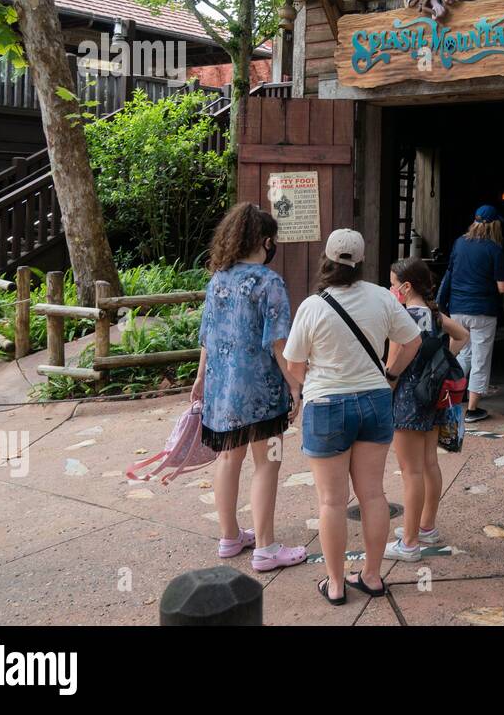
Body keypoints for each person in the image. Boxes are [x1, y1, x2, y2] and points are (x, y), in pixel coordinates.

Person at [282, 229, 423, 606]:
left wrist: (311, 381)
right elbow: (413, 340)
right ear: (361, 261)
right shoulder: (381, 297)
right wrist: (390, 375)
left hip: (327, 404)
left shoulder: (312, 306)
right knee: (373, 493)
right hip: (375, 400)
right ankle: (373, 577)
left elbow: (294, 365)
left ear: (326, 259)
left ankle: (336, 583)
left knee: (331, 501)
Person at [191, 202, 307, 571]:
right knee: (268, 463)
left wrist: (199, 379)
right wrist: (295, 386)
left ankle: (229, 537)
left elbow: (207, 337)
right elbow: (278, 343)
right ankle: (267, 549)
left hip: (221, 388)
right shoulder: (268, 282)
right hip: (261, 392)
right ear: (265, 241)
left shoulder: (218, 280)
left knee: (227, 458)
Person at [384, 257, 469, 563]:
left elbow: (394, 366)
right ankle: (426, 526)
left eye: (393, 284)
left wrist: (385, 394)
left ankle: (409, 543)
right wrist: (442, 359)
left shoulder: (402, 317)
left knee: (411, 471)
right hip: (432, 395)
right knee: (429, 463)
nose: (390, 289)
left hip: (407, 399)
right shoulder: (433, 314)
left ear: (406, 287)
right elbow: (463, 335)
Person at [436, 205, 504, 423]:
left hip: (457, 309)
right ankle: (473, 409)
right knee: (480, 359)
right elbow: (503, 288)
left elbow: (450, 272)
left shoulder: (460, 243)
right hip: (483, 312)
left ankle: (448, 398)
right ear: (495, 225)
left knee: (463, 355)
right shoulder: (495, 250)